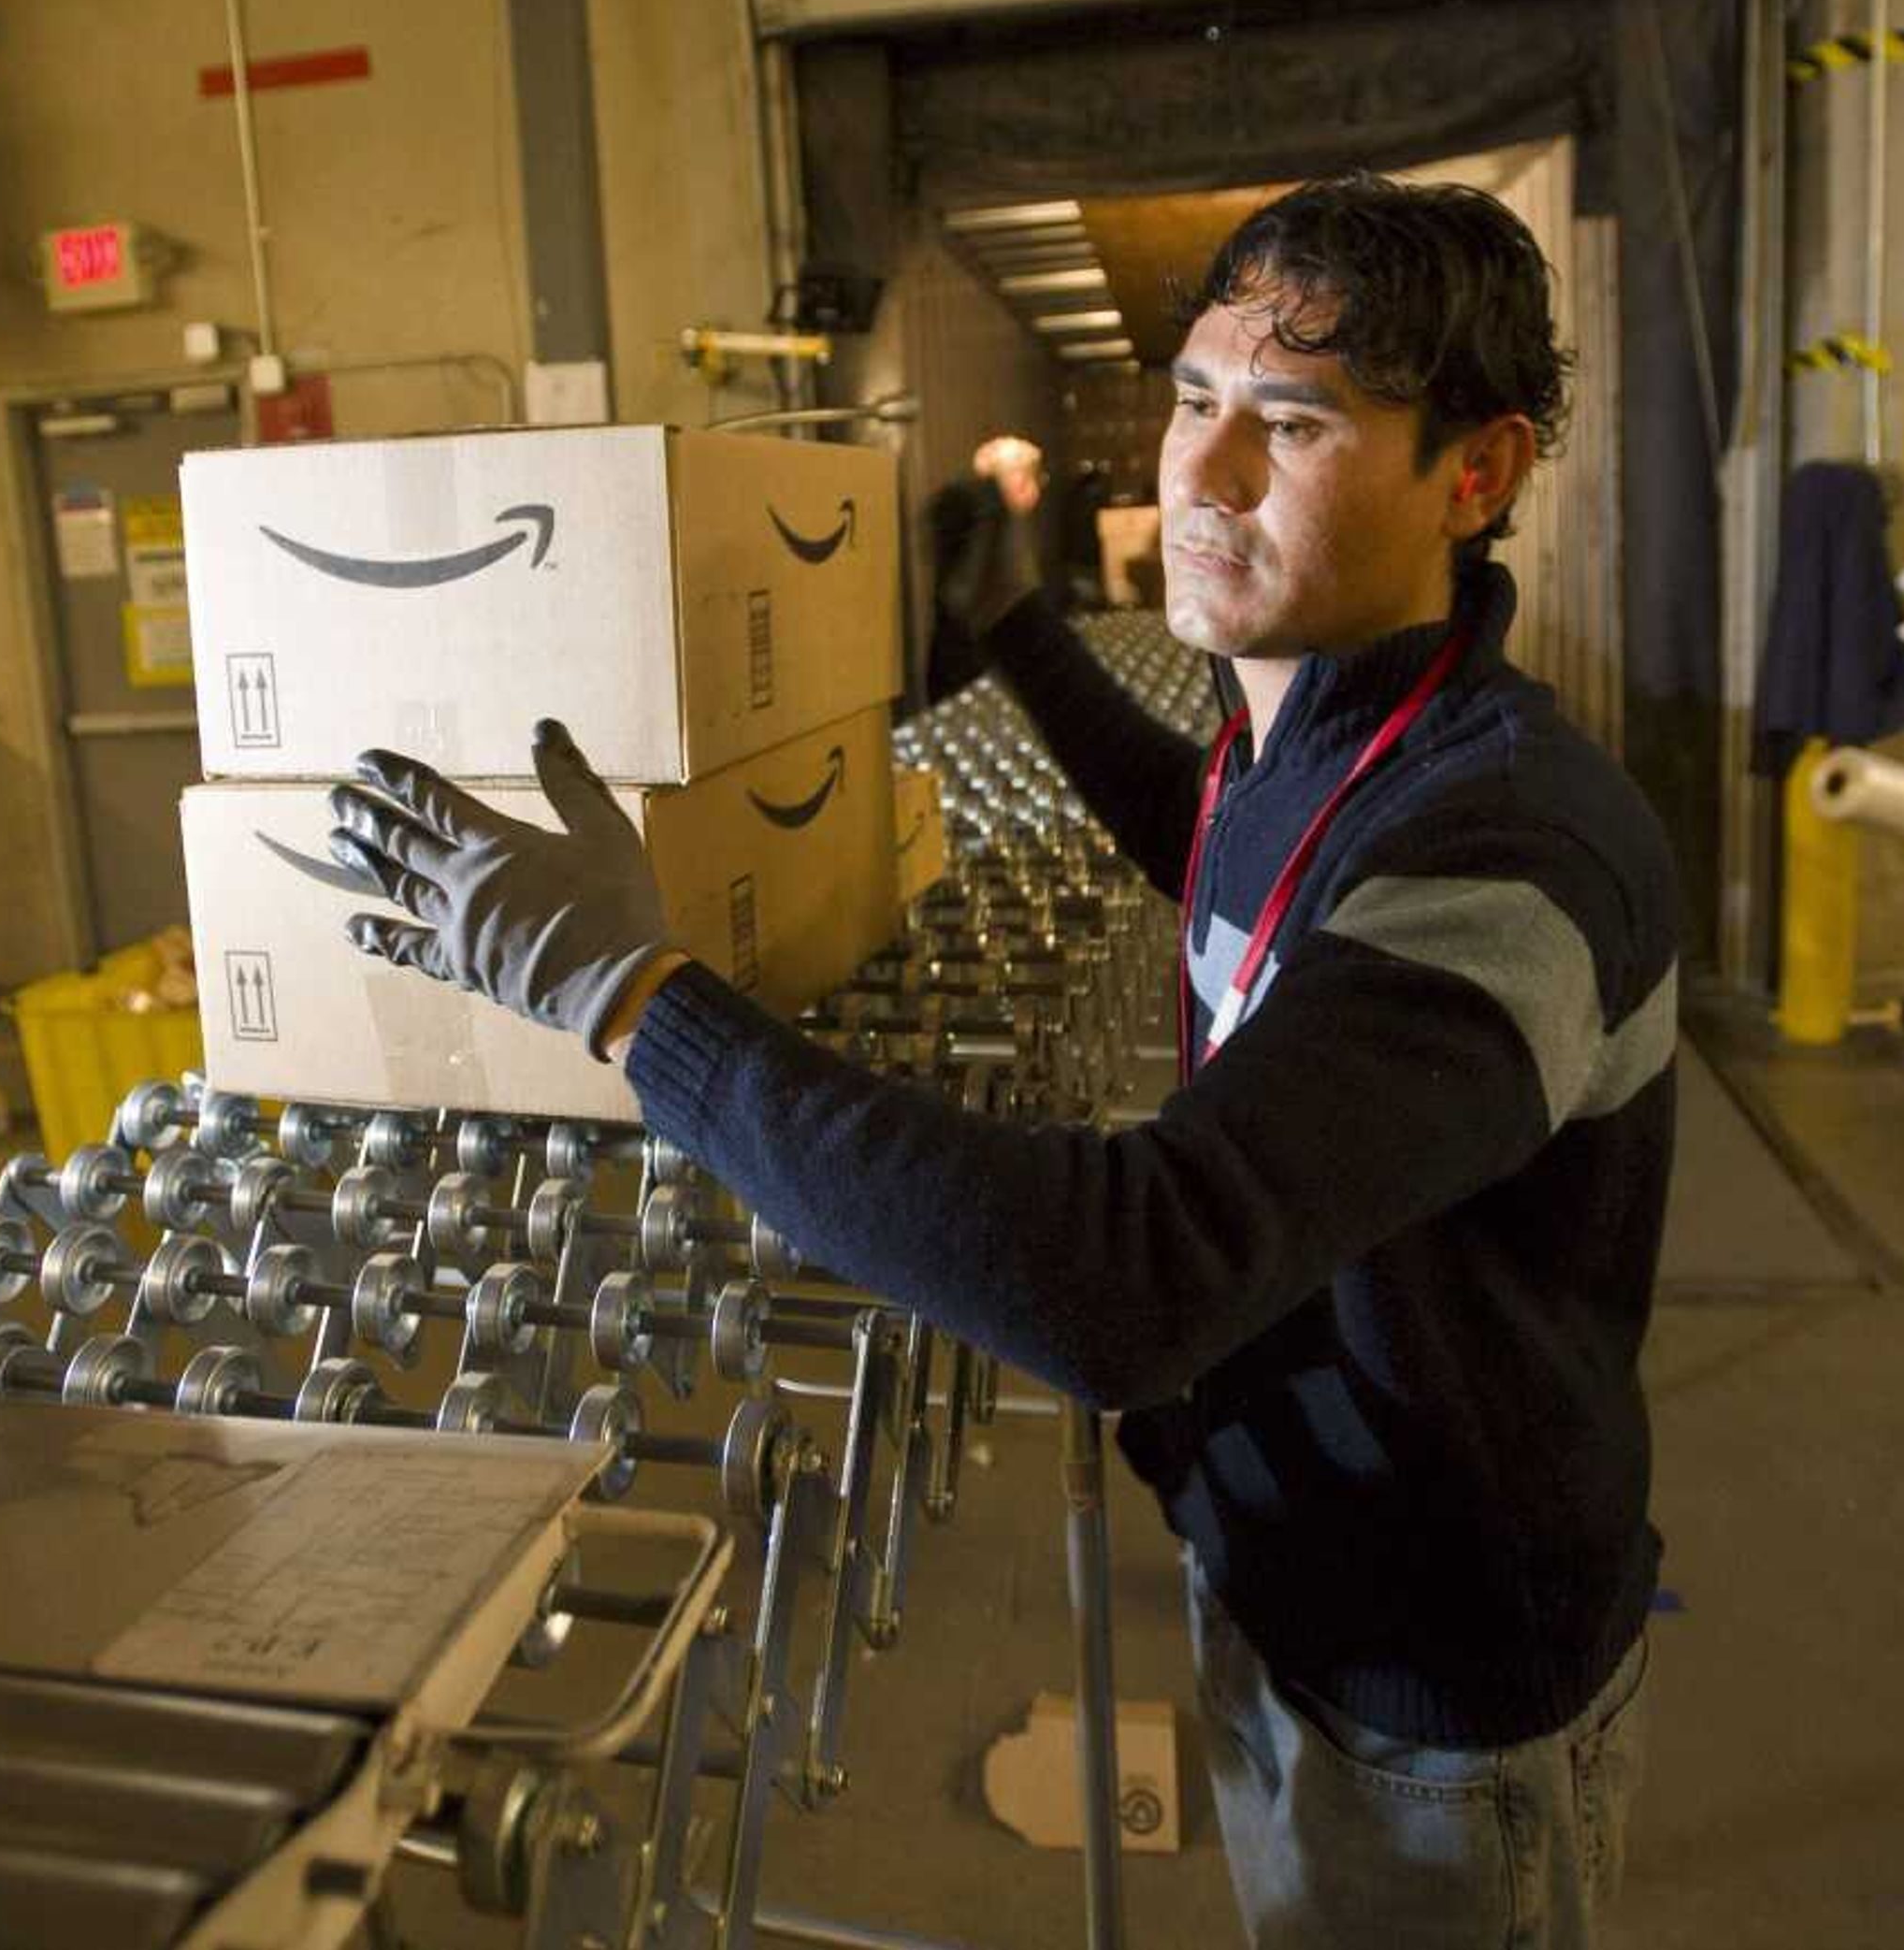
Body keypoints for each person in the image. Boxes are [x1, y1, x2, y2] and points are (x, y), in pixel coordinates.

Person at [325, 172, 1672, 1947]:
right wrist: (1023, 629)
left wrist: (629, 993)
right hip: (1291, 1567)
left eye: (1294, 423)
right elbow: (1209, 847)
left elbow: (1123, 1273)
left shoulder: (1507, 852)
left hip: (1437, 1673)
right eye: (1198, 400)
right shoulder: (1315, 722)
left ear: (1477, 474)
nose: (1206, 471)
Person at [920, 433, 1046, 702]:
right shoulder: (986, 521)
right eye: (1031, 476)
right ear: (1017, 481)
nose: (1036, 486)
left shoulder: (982, 517)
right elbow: (965, 600)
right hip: (976, 670)